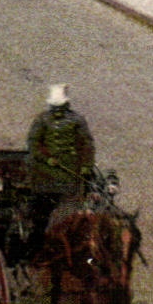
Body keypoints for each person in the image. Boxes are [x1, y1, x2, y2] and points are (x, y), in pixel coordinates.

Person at [26, 84, 96, 252]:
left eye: (61, 107)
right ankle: (36, 247)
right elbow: (33, 144)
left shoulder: (78, 120)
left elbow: (87, 144)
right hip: (45, 175)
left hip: (71, 174)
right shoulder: (41, 120)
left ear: (67, 106)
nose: (58, 111)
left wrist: (86, 166)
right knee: (41, 216)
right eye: (55, 107)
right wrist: (47, 159)